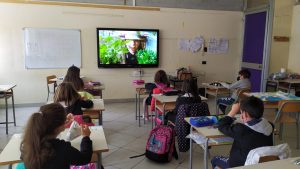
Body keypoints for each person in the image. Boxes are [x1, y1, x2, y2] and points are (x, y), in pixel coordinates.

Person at [20, 103, 92, 169]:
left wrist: (61, 124)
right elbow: (84, 158)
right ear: (57, 128)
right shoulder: (63, 148)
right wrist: (86, 137)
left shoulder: (27, 145)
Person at [211, 96, 274, 168]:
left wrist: (233, 111)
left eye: (241, 113)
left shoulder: (241, 129)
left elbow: (221, 125)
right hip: (261, 164)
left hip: (240, 165)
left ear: (245, 114)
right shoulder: (270, 125)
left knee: (214, 159)